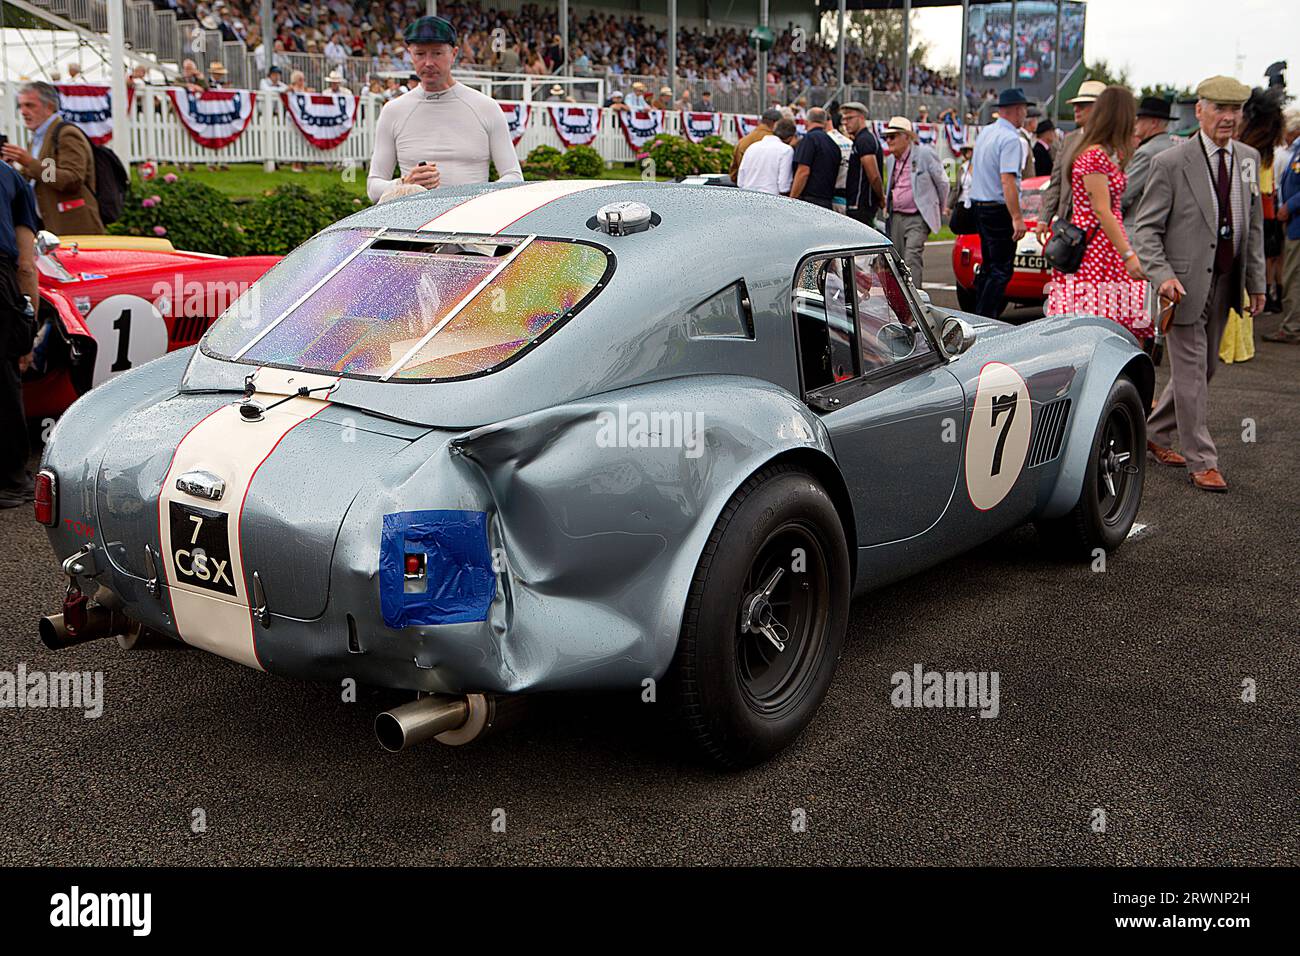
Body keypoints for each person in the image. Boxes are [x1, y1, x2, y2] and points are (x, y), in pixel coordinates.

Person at [1131, 76, 1266, 493]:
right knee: (1190, 373)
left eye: (1235, 110)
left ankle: (1153, 431)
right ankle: (1202, 460)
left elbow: (1254, 227)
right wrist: (1162, 274)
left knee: (1204, 369)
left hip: (1226, 281)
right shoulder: (1170, 162)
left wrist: (1257, 282)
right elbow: (1145, 230)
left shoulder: (1247, 157)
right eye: (1219, 109)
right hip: (1181, 286)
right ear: (1199, 112)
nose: (1228, 118)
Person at [366, 16, 523, 203]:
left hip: (472, 224)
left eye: (437, 53)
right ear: (410, 54)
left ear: (454, 54)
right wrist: (404, 183)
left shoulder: (486, 107)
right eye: (420, 54)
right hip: (412, 226)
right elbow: (373, 187)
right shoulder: (393, 111)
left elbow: (513, 177)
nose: (428, 62)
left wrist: (478, 198)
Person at [1044, 86, 1149, 338]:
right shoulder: (1095, 157)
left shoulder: (1099, 153)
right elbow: (1102, 210)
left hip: (1100, 245)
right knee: (1095, 322)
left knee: (1101, 320)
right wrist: (1127, 254)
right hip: (1096, 249)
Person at [1, 81, 104, 235]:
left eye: (30, 105)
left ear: (49, 107)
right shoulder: (38, 137)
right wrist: (12, 168)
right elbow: (38, 179)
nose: (23, 111)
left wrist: (29, 162)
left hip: (75, 229)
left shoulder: (66, 133)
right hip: (51, 229)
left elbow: (71, 179)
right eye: (20, 106)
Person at [967, 87, 1032, 318]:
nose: (1025, 115)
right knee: (1001, 269)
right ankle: (986, 317)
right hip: (997, 208)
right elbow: (1007, 181)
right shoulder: (1010, 139)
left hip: (979, 204)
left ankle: (978, 315)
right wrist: (1017, 217)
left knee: (989, 265)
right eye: (1024, 110)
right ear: (1016, 110)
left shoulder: (986, 133)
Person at [0, 159, 39, 509]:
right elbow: (26, 264)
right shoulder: (10, 176)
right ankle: (13, 479)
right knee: (4, 378)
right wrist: (28, 335)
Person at [882, 115, 949, 287]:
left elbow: (942, 182)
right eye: (886, 137)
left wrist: (941, 207)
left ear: (906, 136)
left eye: (893, 136)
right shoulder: (890, 160)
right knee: (896, 261)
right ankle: (900, 303)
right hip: (896, 216)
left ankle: (917, 302)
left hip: (918, 216)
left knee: (912, 257)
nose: (888, 141)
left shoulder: (925, 154)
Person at [1037, 79, 1105, 244]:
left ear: (1099, 109)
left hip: (1100, 231)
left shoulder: (1112, 142)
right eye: (1076, 104)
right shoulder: (1068, 141)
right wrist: (1044, 219)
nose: (1076, 109)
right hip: (1068, 228)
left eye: (1083, 105)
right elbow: (1056, 183)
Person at [1239, 87, 1287, 313]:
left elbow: (1245, 192)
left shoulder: (1247, 154)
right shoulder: (1263, 152)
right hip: (1261, 214)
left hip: (1251, 219)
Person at [1264, 109, 1300, 343]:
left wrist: (1289, 205)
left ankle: (1292, 328)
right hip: (1294, 223)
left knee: (1293, 277)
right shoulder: (1294, 151)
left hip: (1297, 223)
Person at [1121, 97, 1175, 219]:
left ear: (1154, 123)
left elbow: (1124, 194)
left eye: (1140, 119)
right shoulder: (1172, 147)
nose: (1135, 123)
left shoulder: (1147, 152)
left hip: (1137, 224)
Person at [841, 101, 885, 227]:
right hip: (856, 204)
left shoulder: (865, 139)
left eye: (849, 118)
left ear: (861, 118)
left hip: (862, 205)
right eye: (844, 119)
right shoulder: (859, 139)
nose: (845, 123)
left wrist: (881, 198)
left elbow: (874, 175)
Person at [789, 107, 840, 208]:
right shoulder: (833, 144)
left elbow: (803, 172)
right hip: (827, 202)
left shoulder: (809, 140)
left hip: (809, 203)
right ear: (825, 123)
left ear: (806, 122)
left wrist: (792, 199)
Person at [736, 117, 797, 195]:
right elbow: (784, 186)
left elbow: (740, 182)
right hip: (771, 199)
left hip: (747, 197)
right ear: (790, 138)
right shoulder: (786, 150)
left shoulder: (752, 147)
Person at [729, 107, 781, 181]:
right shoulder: (775, 141)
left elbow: (733, 170)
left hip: (743, 185)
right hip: (766, 187)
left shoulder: (743, 140)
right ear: (775, 123)